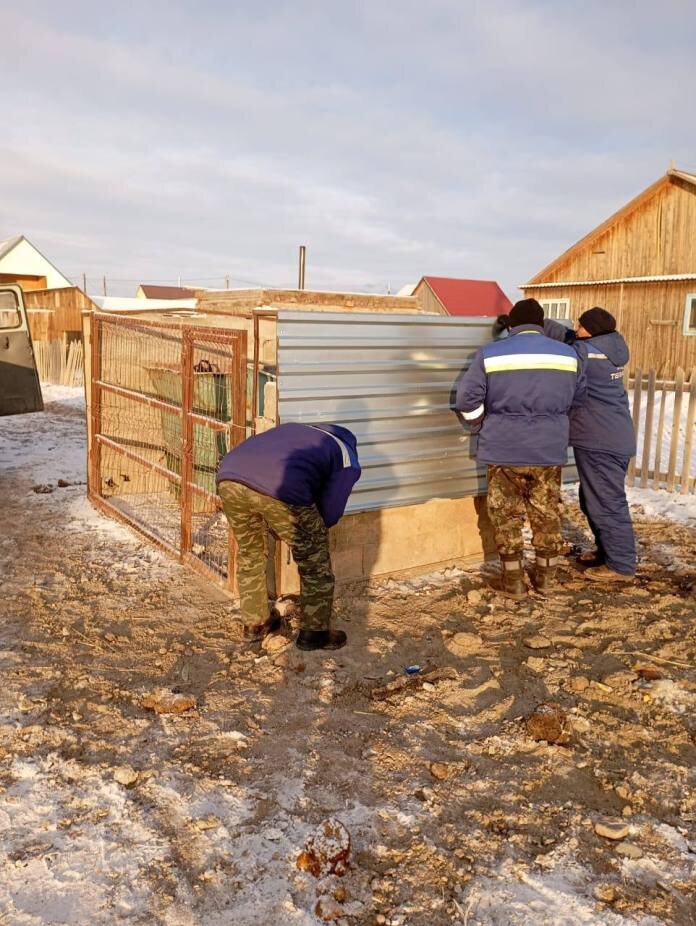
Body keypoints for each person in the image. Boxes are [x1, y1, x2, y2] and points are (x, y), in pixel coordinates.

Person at [455, 298, 586, 599]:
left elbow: (466, 400)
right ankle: (546, 581)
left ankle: (513, 583)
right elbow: (579, 400)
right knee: (546, 514)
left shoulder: (490, 353)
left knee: (506, 516)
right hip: (548, 450)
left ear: (512, 324)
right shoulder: (568, 355)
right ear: (541, 324)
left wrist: (480, 423)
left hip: (503, 449)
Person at [217, 422, 361, 650]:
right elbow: (331, 511)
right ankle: (314, 634)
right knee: (315, 559)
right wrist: (308, 533)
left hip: (228, 476)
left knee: (250, 552)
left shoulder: (297, 431)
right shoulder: (345, 454)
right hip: (279, 487)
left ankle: (256, 623)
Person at [544, 307, 637, 581]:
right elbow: (571, 336)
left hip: (599, 439)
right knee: (593, 498)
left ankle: (621, 566)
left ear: (591, 330)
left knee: (607, 503)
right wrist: (538, 321)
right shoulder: (609, 345)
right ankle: (608, 552)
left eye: (580, 325)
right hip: (614, 434)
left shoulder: (584, 355)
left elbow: (569, 387)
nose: (576, 327)